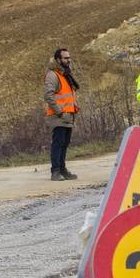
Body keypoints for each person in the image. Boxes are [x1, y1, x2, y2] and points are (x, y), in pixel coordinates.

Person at [43, 47, 79, 181]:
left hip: (68, 115)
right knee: (58, 143)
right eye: (65, 58)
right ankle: (56, 171)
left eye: (69, 57)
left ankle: (62, 169)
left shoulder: (64, 74)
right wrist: (59, 111)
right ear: (58, 59)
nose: (68, 60)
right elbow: (48, 95)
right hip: (59, 116)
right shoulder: (53, 74)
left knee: (64, 143)